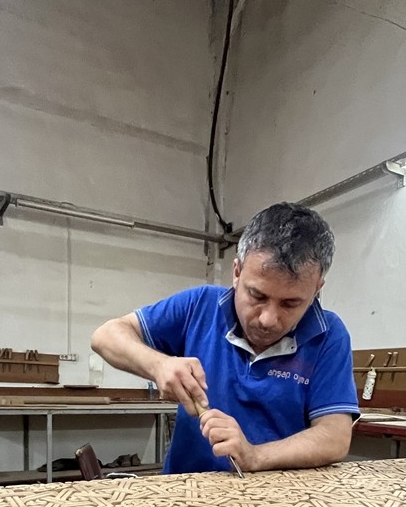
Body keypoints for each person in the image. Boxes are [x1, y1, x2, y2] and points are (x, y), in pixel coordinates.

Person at [91, 202, 359, 475]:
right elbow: (106, 336)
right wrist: (158, 365)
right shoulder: (200, 305)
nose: (268, 319)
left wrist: (255, 456)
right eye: (257, 295)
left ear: (316, 289)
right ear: (237, 272)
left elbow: (334, 437)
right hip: (186, 491)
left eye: (290, 303)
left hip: (278, 501)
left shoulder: (329, 335)